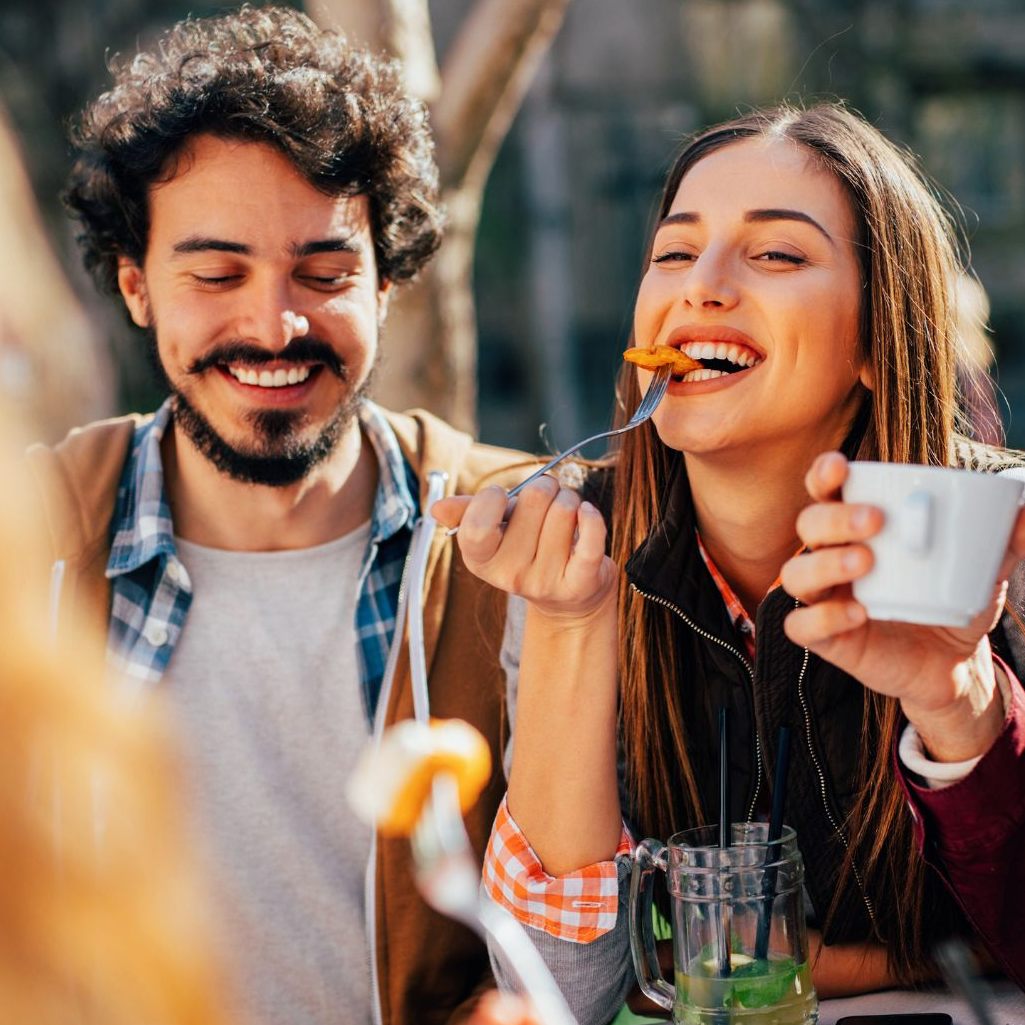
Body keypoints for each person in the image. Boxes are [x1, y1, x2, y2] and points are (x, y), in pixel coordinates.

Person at [434, 102, 1025, 1023]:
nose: (698, 288)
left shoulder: (1002, 535)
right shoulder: (573, 543)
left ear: (878, 338)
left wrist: (958, 704)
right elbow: (559, 994)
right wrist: (567, 626)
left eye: (776, 255)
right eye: (673, 253)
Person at [26, 7, 529, 1024]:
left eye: (325, 273)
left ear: (387, 285)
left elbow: (583, 939)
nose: (273, 324)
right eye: (216, 274)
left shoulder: (513, 542)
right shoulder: (27, 535)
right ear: (136, 286)